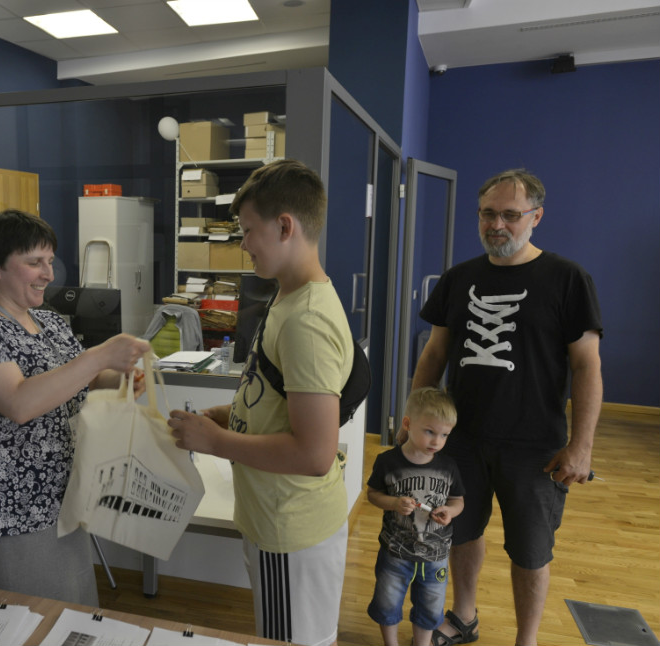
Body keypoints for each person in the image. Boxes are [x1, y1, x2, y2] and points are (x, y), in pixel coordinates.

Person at [402, 169, 603, 646]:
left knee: (531, 551)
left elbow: (587, 366)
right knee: (460, 530)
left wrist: (581, 446)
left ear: (536, 217)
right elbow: (433, 355)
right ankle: (464, 617)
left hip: (536, 448)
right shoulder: (459, 279)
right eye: (488, 214)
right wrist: (414, 423)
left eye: (511, 215)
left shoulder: (568, 279)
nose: (497, 225)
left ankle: (525, 640)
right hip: (461, 439)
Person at [167, 159, 354, 646]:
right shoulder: (286, 299)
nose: (243, 243)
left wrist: (216, 442)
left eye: (248, 230)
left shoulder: (306, 320)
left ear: (285, 227)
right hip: (276, 518)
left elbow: (314, 454)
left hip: (290, 526)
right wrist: (229, 418)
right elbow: (276, 400)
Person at [0, 209, 150, 605]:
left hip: (64, 489)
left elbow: (84, 380)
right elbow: (19, 402)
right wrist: (98, 356)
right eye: (34, 262)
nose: (48, 274)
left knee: (71, 604)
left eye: (50, 261)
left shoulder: (49, 324)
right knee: (27, 613)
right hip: (15, 501)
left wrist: (120, 378)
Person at [367, 387, 464, 646]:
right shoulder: (387, 462)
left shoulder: (448, 466)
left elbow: (458, 501)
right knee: (387, 603)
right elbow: (373, 494)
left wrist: (451, 511)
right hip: (395, 552)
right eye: (430, 431)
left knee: (430, 609)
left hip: (436, 556)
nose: (437, 441)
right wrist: (393, 503)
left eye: (444, 435)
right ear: (408, 424)